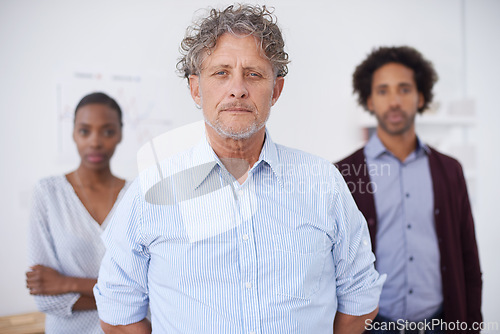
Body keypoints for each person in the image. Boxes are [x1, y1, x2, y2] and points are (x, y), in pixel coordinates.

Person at [94, 4, 385, 334]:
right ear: (195, 88)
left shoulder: (322, 183)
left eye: (254, 73)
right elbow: (118, 314)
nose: (237, 89)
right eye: (221, 73)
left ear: (276, 90)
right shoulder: (150, 191)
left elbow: (360, 297)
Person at [336, 46, 482, 333]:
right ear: (369, 100)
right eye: (383, 91)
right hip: (373, 326)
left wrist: (472, 324)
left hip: (442, 323)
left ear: (421, 97)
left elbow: (468, 258)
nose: (394, 101)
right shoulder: (342, 174)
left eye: (404, 89)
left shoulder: (450, 171)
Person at [26, 92, 129, 333]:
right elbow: (44, 296)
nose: (95, 141)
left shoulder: (137, 195)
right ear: (73, 133)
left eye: (107, 131)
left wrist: (66, 283)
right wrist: (122, 298)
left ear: (120, 134)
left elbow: (149, 288)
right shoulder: (48, 194)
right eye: (85, 131)